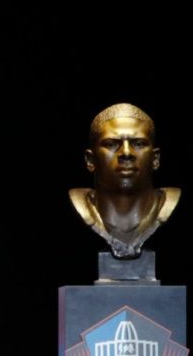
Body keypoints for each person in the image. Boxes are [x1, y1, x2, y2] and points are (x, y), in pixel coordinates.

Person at [69, 103, 180, 259]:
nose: (126, 153)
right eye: (111, 144)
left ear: (155, 159)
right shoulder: (81, 208)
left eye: (139, 144)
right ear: (90, 160)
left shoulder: (167, 205)